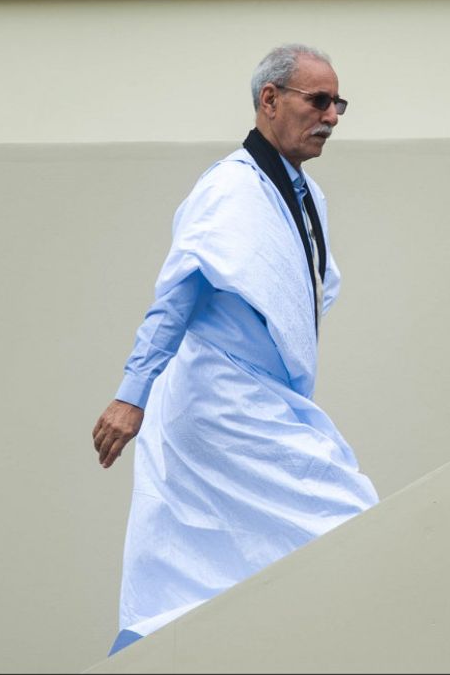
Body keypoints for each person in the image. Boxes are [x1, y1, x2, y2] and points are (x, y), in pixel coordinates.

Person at [91, 43, 379, 656]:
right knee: (348, 515)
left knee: (211, 567)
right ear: (269, 100)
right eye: (318, 101)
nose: (331, 117)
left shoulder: (305, 195)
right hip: (219, 401)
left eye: (338, 104)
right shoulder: (229, 188)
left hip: (265, 399)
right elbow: (176, 297)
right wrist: (130, 397)